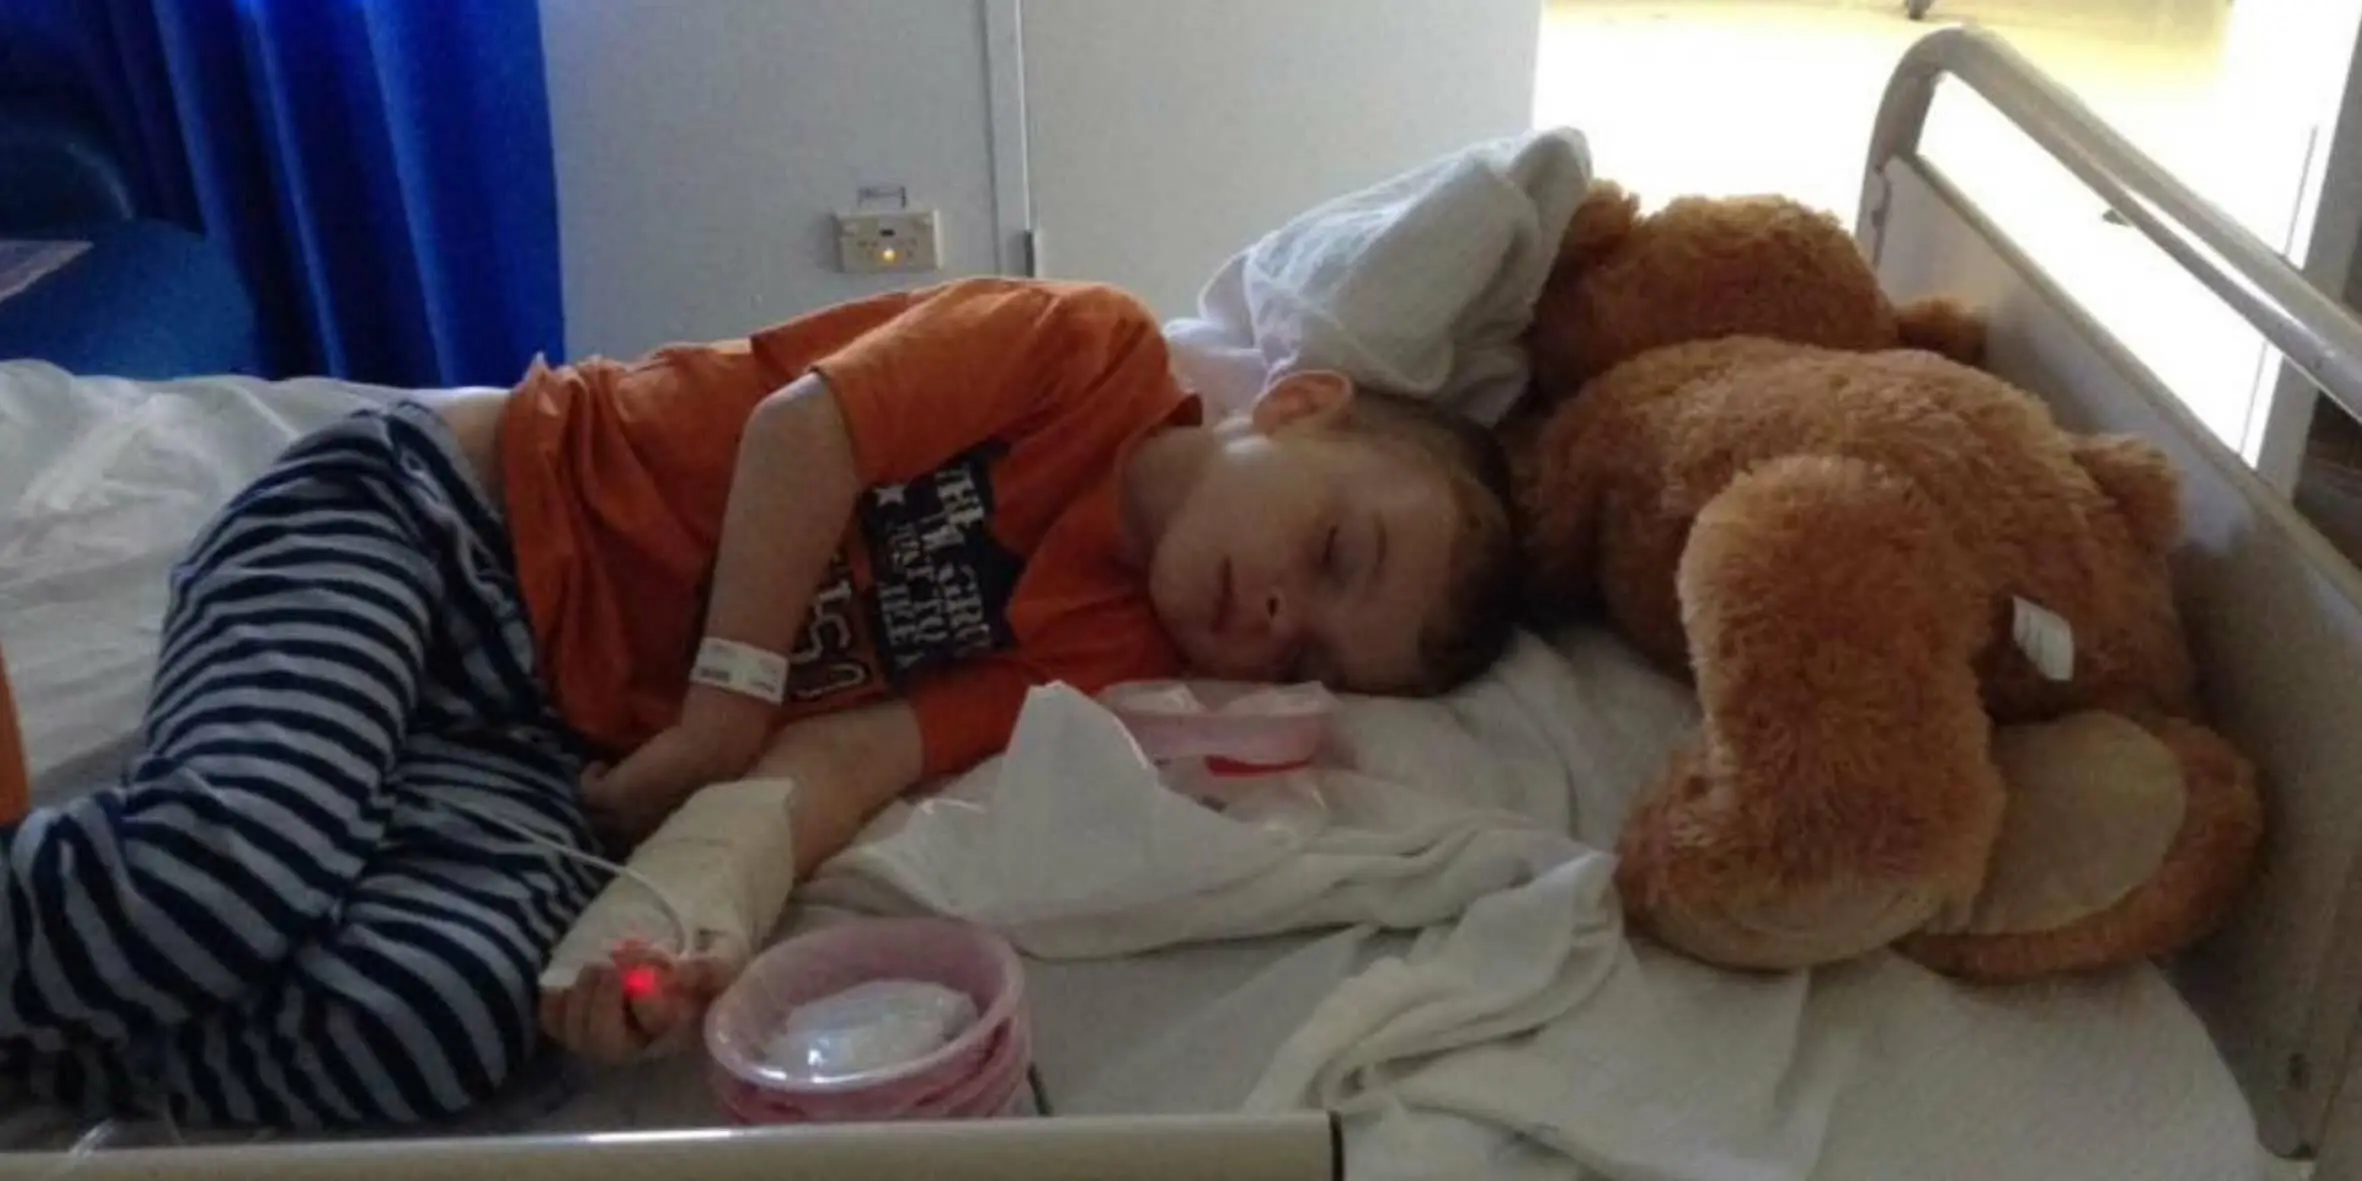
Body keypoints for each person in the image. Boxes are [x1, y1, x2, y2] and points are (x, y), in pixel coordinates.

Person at [0, 278, 1516, 1126]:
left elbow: (846, 759)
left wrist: (686, 920)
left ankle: (52, 1049)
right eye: (1335, 552)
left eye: (1313, 661)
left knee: (445, 1019)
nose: (1280, 620)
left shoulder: (1099, 662)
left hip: (534, 744)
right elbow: (805, 432)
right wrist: (727, 704)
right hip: (439, 531)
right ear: (1294, 406)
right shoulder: (1087, 354)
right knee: (230, 875)